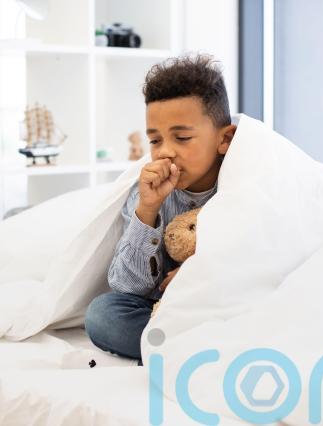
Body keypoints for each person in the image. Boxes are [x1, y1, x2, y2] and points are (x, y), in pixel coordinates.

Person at [84, 54, 237, 362]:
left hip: (225, 304)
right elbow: (127, 287)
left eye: (182, 137)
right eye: (155, 141)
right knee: (103, 314)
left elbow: (260, 257)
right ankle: (201, 349)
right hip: (163, 311)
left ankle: (184, 348)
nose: (165, 151)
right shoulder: (146, 194)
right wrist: (148, 208)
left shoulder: (241, 184)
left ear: (225, 139)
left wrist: (196, 277)